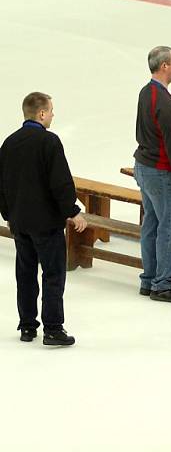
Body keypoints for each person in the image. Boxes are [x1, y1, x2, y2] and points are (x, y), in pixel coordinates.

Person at [0, 92, 87, 346]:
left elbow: (1, 184)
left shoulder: (9, 143)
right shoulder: (49, 142)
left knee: (25, 274)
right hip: (46, 223)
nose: (52, 115)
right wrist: (72, 211)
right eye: (50, 111)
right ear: (40, 113)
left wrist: (8, 214)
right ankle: (53, 328)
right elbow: (60, 182)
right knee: (53, 274)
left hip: (20, 223)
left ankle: (27, 327)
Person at [133, 46, 171, 303]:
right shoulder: (165, 104)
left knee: (152, 224)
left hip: (144, 167)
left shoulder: (146, 92)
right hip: (160, 172)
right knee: (169, 227)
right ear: (164, 67)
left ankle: (149, 279)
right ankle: (163, 284)